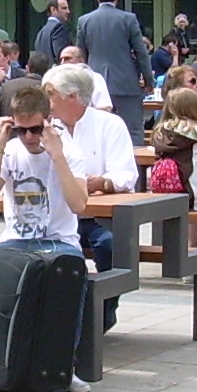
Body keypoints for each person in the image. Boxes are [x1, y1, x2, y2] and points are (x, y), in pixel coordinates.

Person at [0, 82, 92, 392]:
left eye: (35, 130)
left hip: (58, 240)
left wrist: (58, 157)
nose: (28, 138)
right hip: (16, 241)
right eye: (20, 130)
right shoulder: (9, 151)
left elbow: (79, 204)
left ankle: (67, 364)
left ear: (47, 122)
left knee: (71, 274)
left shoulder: (68, 150)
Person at [44, 64, 135, 327]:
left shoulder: (110, 125)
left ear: (72, 96)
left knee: (110, 245)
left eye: (50, 94)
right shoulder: (47, 129)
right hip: (58, 217)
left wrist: (100, 182)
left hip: (96, 218)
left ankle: (103, 314)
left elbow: (126, 175)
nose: (45, 101)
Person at [149, 86, 197, 255]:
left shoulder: (160, 129)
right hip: (191, 184)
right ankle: (192, 260)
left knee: (182, 222)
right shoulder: (195, 130)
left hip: (167, 185)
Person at [76, 0, 152, 142]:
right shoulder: (129, 19)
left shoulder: (84, 21)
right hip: (126, 82)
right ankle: (136, 167)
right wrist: (148, 80)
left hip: (94, 83)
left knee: (96, 132)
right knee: (132, 131)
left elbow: (80, 55)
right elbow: (141, 52)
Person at [33, 0, 74, 72]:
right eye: (64, 8)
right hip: (58, 74)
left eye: (68, 8)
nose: (68, 11)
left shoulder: (42, 31)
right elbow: (62, 55)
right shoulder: (59, 28)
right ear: (53, 9)